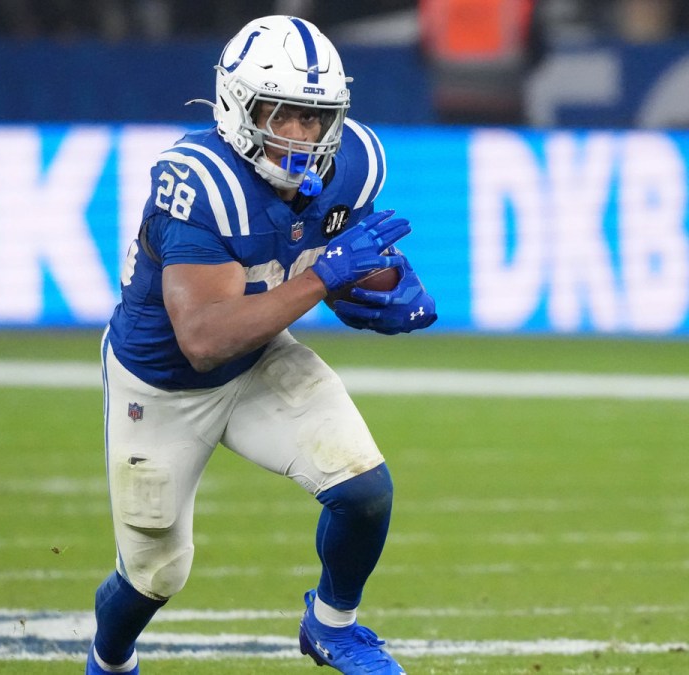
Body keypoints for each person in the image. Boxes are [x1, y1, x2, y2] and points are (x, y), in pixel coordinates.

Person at [86, 15, 437, 675]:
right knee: (155, 573)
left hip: (260, 355)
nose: (300, 134)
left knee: (363, 488)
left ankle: (332, 625)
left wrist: (379, 287)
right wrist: (324, 276)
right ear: (237, 106)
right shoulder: (198, 180)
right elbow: (203, 337)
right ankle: (109, 660)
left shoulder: (354, 162)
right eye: (281, 113)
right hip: (163, 383)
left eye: (313, 117)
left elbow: (342, 262)